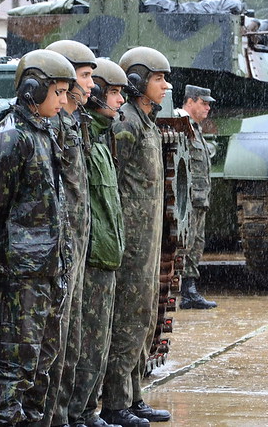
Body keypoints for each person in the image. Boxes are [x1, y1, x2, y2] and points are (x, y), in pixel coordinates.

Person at [0, 49, 75, 426]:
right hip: (24, 272)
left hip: (48, 266)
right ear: (33, 89)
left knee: (41, 364)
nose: (63, 101)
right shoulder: (12, 136)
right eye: (58, 92)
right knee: (14, 366)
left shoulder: (42, 131)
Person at [101, 47, 172, 427]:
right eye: (159, 79)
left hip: (148, 240)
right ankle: (115, 404)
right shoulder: (126, 123)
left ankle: (134, 396)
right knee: (128, 319)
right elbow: (112, 181)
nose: (165, 86)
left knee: (143, 318)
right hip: (130, 241)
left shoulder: (147, 123)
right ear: (138, 80)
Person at [38, 40, 98, 427]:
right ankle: (51, 415)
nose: (91, 84)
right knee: (55, 337)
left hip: (76, 241)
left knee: (71, 335)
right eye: (85, 76)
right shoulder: (52, 126)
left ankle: (65, 413)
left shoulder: (75, 122)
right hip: (57, 244)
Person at [67, 58, 128, 427]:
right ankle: (76, 412)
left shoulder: (99, 138)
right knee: (83, 344)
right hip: (87, 258)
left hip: (103, 255)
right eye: (115, 92)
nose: (120, 100)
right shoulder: (79, 134)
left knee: (97, 342)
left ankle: (86, 410)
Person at [177, 84, 218, 309]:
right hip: (188, 200)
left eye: (209, 104)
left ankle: (189, 290)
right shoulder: (180, 125)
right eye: (203, 103)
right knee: (185, 244)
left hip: (199, 199)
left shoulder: (195, 128)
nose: (208, 107)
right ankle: (183, 289)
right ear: (190, 101)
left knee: (195, 243)